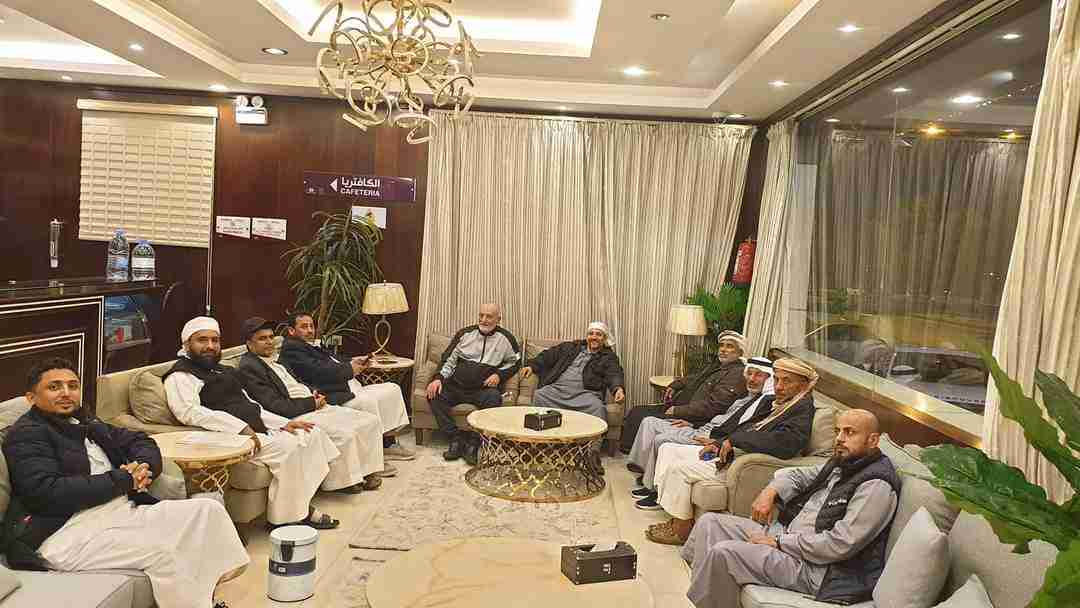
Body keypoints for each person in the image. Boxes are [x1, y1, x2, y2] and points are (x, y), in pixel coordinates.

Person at [3, 358, 248, 608]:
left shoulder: (85, 420)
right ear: (31, 398)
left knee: (207, 509)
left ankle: (206, 593)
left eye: (72, 385)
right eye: (54, 387)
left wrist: (143, 467)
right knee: (164, 553)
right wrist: (125, 480)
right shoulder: (27, 434)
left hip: (117, 510)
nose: (66, 393)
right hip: (65, 531)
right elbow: (46, 492)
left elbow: (140, 440)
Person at [682, 409, 899, 608]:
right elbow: (795, 475)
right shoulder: (844, 462)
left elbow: (840, 544)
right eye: (837, 431)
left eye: (849, 432)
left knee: (724, 554)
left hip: (819, 569)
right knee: (710, 523)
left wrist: (780, 542)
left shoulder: (875, 485)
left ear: (873, 440)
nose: (840, 438)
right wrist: (770, 492)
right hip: (789, 538)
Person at [163, 316, 342, 529]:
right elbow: (189, 412)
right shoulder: (181, 375)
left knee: (311, 434)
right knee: (291, 448)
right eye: (202, 340)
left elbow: (249, 404)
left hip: (253, 427)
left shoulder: (222, 370)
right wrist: (240, 427)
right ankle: (286, 519)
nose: (210, 346)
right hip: (225, 436)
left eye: (215, 340)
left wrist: (282, 423)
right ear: (186, 344)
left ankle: (299, 505)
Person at [644, 358, 819, 545]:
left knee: (679, 469)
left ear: (803, 385)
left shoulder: (802, 409)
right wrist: (720, 442)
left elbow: (785, 443)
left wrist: (734, 441)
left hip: (744, 462)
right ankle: (672, 514)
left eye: (786, 381)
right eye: (776, 379)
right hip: (733, 451)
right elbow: (746, 427)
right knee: (669, 449)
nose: (779, 386)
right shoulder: (782, 403)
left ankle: (682, 529)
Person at [237, 317, 386, 491]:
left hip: (312, 403)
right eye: (263, 339)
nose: (269, 342)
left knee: (370, 421)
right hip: (297, 413)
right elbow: (274, 405)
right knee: (344, 433)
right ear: (249, 344)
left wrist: (312, 392)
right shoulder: (249, 367)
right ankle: (343, 483)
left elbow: (297, 382)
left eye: (271, 337)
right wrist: (311, 403)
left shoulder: (275, 358)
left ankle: (367, 471)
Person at [627, 357, 773, 499]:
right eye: (750, 374)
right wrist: (693, 424)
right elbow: (720, 416)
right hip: (702, 427)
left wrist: (716, 440)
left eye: (758, 375)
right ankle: (644, 473)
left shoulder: (763, 403)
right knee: (650, 421)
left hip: (711, 436)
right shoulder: (745, 397)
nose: (752, 379)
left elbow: (738, 428)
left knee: (662, 440)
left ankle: (653, 489)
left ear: (768, 379)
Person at [278, 311, 414, 461]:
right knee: (368, 401)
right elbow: (317, 371)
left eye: (311, 326)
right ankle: (375, 454)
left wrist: (354, 361)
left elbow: (333, 359)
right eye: (304, 327)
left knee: (392, 388)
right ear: (291, 330)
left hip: (348, 385)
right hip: (331, 392)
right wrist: (350, 369)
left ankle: (387, 443)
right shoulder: (292, 348)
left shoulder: (309, 344)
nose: (310, 330)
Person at [620, 330, 748, 453]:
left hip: (691, 416)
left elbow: (714, 406)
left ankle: (635, 453)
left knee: (641, 415)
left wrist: (678, 411)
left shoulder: (736, 374)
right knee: (637, 411)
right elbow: (695, 377)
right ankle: (634, 451)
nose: (723, 349)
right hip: (682, 407)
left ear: (740, 352)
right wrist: (676, 384)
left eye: (729, 346)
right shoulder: (718, 366)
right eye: (721, 345)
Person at [426, 303, 521, 465]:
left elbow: (515, 362)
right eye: (481, 315)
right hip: (456, 386)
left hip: (482, 390)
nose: (483, 320)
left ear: (498, 319)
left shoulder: (506, 339)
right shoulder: (464, 334)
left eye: (489, 316)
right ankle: (455, 438)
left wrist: (499, 375)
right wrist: (438, 378)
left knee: (494, 398)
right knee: (434, 394)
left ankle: (474, 443)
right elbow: (448, 359)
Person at [520, 321, 625, 422]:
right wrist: (532, 366)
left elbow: (614, 373)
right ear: (587, 336)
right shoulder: (570, 347)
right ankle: (542, 431)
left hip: (585, 395)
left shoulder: (608, 357)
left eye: (598, 334)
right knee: (540, 395)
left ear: (604, 338)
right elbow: (547, 355)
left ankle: (592, 436)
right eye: (591, 334)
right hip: (558, 390)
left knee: (597, 407)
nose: (594, 337)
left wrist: (618, 389)